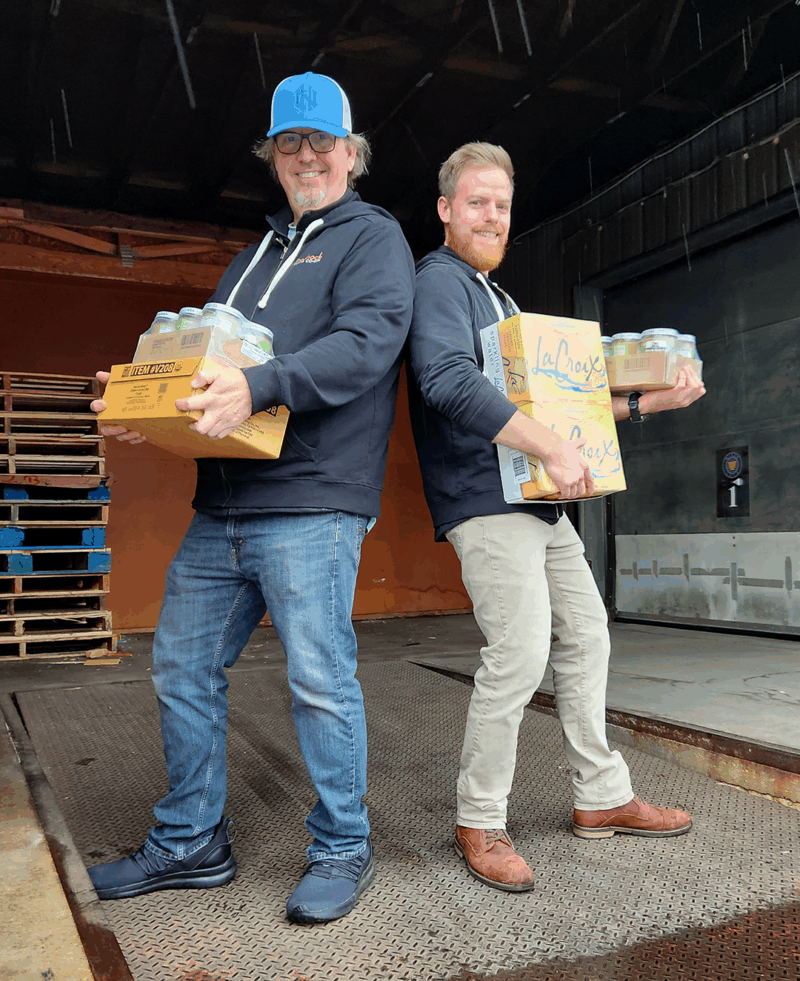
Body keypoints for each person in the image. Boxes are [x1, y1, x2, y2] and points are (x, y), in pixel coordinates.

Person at [86, 72, 415, 924]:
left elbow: (368, 345)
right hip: (223, 507)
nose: (307, 156)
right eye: (289, 144)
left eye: (323, 143)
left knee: (318, 680)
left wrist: (261, 384)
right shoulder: (250, 259)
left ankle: (344, 846)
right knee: (181, 666)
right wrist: (146, 411)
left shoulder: (370, 238)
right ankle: (193, 839)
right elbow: (211, 370)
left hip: (311, 501)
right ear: (273, 157)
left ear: (353, 153)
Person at [407, 142, 706, 893]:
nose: (492, 216)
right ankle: (479, 817)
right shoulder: (439, 283)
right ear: (445, 209)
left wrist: (643, 403)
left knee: (588, 634)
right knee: (519, 651)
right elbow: (444, 381)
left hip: (539, 498)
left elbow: (563, 404)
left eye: (502, 206)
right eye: (476, 201)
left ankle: (602, 797)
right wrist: (546, 444)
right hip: (485, 497)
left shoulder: (500, 299)